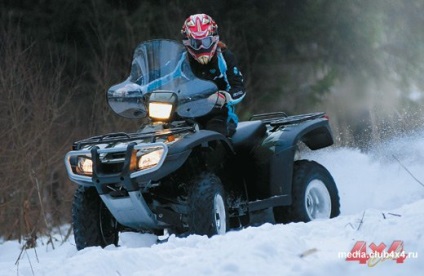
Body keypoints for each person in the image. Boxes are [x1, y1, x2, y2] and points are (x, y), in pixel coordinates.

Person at [181, 13, 245, 137]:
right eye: (195, 43)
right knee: (167, 133)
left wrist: (224, 96)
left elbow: (240, 89)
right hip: (188, 113)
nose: (201, 47)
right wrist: (136, 87)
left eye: (206, 41)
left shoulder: (225, 57)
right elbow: (162, 77)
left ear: (214, 38)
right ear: (187, 42)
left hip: (220, 114)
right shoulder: (182, 60)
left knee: (213, 138)